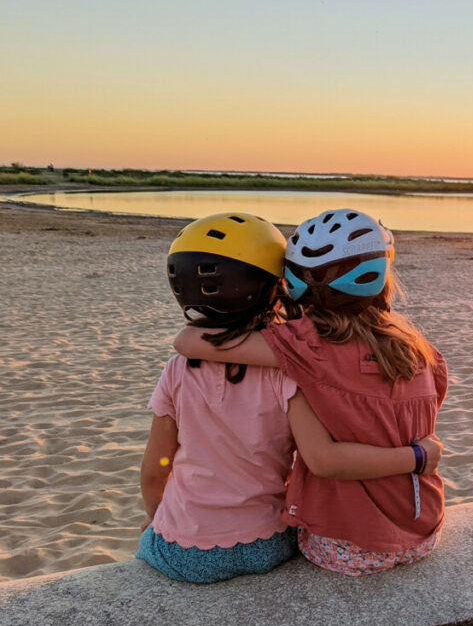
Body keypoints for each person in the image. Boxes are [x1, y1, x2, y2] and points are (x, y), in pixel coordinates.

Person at [140, 212, 441, 584]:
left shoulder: (300, 354)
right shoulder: (423, 354)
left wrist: (158, 519)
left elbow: (156, 470)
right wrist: (418, 455)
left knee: (149, 536)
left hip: (335, 547)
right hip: (413, 530)